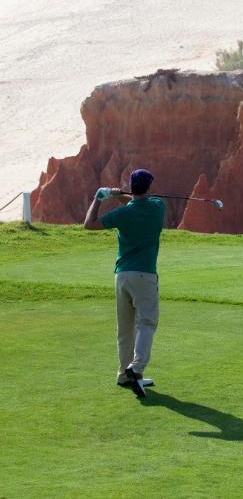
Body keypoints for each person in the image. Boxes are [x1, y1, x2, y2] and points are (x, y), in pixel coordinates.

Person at [84, 169, 166, 399]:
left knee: (125, 328)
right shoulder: (158, 206)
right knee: (147, 323)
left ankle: (124, 374)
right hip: (145, 275)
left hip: (122, 276)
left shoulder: (122, 214)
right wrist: (120, 196)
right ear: (148, 188)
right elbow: (139, 203)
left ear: (131, 186)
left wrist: (99, 199)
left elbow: (89, 224)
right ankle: (136, 368)